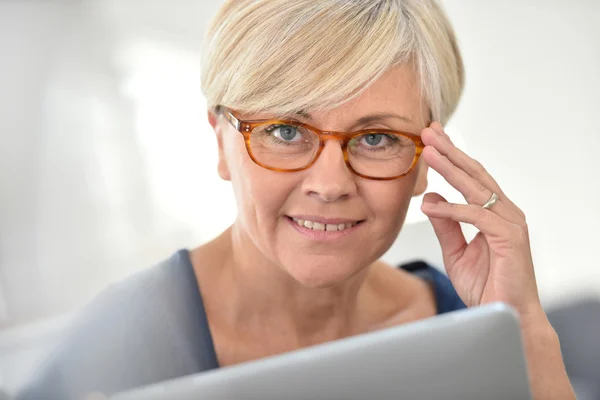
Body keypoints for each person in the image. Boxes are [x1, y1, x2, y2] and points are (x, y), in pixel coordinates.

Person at [17, 1, 575, 399]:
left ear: (428, 160)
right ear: (220, 142)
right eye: (285, 131)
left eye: (377, 138)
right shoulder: (120, 344)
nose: (330, 185)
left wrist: (525, 330)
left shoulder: (465, 323)